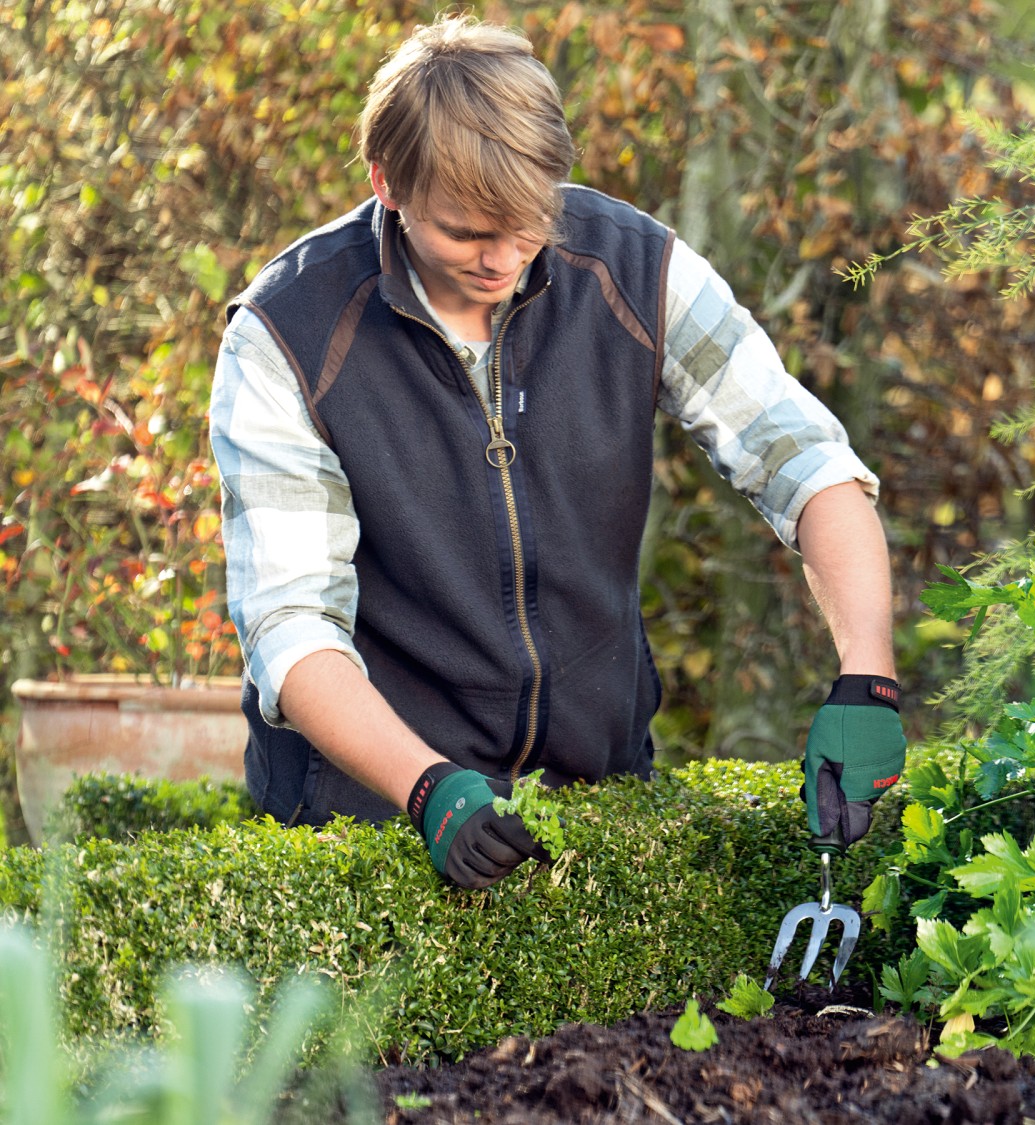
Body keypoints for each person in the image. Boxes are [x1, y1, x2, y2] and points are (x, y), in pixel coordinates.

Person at [208, 15, 905, 890]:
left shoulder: (635, 271)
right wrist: (427, 787)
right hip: (373, 812)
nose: (502, 258)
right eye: (465, 233)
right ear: (387, 183)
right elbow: (289, 625)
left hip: (596, 796)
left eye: (528, 220)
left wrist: (867, 673)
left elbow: (804, 461)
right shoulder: (290, 335)